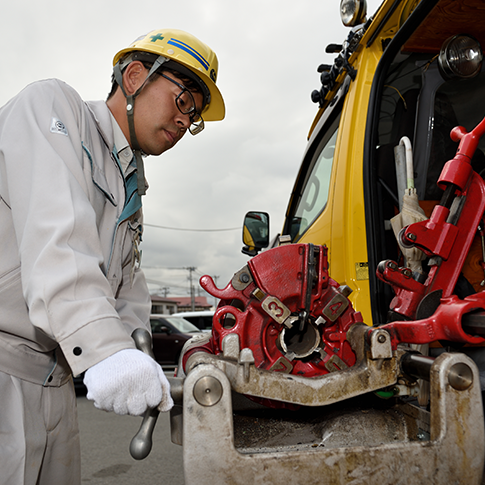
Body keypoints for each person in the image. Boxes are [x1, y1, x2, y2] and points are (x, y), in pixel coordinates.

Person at [0, 28, 225, 484]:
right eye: (184, 101)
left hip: (57, 383)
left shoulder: (131, 188)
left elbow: (125, 293)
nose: (186, 122)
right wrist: (105, 352)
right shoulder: (53, 110)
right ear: (136, 76)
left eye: (195, 116)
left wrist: (153, 357)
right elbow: (57, 241)